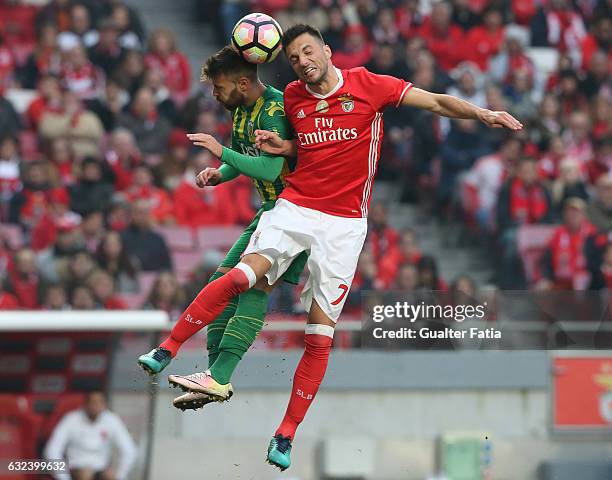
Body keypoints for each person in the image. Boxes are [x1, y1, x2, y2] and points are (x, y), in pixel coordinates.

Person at [172, 24, 521, 471]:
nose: (301, 61)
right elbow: (295, 149)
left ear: (328, 51)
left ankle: (278, 427)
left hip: (344, 228)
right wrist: (277, 149)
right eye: (293, 57)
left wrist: (482, 113)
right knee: (239, 280)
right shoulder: (293, 98)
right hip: (295, 209)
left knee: (310, 328)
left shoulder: (367, 85)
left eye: (307, 51)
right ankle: (212, 375)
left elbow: (433, 101)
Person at [137, 46, 307, 412]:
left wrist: (220, 153)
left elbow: (267, 170)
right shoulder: (242, 110)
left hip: (296, 214)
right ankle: (213, 377)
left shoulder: (275, 111)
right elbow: (243, 153)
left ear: (243, 83)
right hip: (270, 212)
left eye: (219, 87)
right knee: (223, 282)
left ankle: (217, 373)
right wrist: (221, 173)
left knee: (253, 287)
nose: (215, 95)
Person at [43, 390, 137, 480]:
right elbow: (52, 451)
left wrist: (120, 476)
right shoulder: (71, 419)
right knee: (85, 475)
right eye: (93, 402)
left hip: (101, 468)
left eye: (99, 402)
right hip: (76, 467)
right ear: (85, 404)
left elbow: (129, 450)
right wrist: (64, 477)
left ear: (104, 404)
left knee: (110, 476)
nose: (96, 406)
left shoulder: (112, 420)